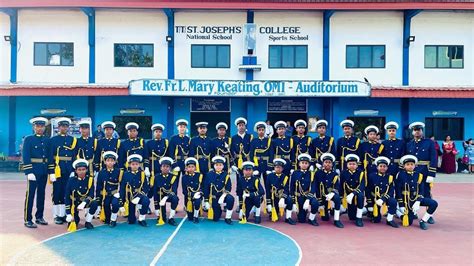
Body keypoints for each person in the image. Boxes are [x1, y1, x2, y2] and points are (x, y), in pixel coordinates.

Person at [396, 155, 438, 230]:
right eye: (407, 164)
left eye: (412, 164)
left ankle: (423, 221)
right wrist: (401, 204)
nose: (410, 166)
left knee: (433, 203)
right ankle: (398, 212)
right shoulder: (400, 175)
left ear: (415, 165)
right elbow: (398, 190)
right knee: (408, 222)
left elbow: (421, 190)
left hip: (416, 199)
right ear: (404, 166)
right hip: (406, 201)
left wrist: (418, 201)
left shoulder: (419, 175)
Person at [23, 117, 50, 228]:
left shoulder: (47, 140)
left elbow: (48, 156)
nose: (40, 128)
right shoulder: (28, 139)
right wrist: (29, 171)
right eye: (37, 126)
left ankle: (39, 216)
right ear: (34, 127)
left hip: (43, 171)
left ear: (44, 127)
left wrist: (50, 171)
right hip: (33, 171)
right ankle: (27, 219)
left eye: (42, 126)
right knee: (30, 195)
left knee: (41, 194)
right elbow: (26, 156)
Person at [49, 117, 77, 225]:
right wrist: (51, 171)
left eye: (66, 126)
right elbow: (51, 156)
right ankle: (57, 215)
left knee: (67, 191)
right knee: (57, 191)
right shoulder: (53, 140)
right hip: (58, 169)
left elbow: (74, 155)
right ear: (58, 127)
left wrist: (73, 170)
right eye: (62, 126)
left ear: (68, 127)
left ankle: (66, 213)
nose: (64, 128)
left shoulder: (72, 140)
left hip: (69, 169)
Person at [406, 122, 437, 208]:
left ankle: (429, 212)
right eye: (415, 130)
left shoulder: (429, 142)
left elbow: (434, 158)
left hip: (425, 171)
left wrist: (431, 174)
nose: (417, 132)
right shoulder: (409, 144)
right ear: (412, 132)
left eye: (419, 130)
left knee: (426, 191)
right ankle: (412, 210)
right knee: (412, 191)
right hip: (413, 171)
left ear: (422, 131)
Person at [65, 159, 99, 231]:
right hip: (74, 204)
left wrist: (84, 203)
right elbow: (67, 196)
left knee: (94, 203)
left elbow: (92, 194)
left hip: (84, 202)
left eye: (83, 169)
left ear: (86, 170)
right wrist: (68, 213)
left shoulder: (89, 179)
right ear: (76, 171)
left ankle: (88, 221)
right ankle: (76, 218)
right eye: (79, 170)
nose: (81, 171)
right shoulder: (71, 180)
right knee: (74, 222)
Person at [366, 156, 398, 228]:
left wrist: (383, 199)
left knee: (393, 201)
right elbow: (368, 189)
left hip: (385, 198)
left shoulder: (390, 177)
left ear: (387, 168)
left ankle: (389, 219)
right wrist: (370, 203)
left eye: (384, 166)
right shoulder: (371, 176)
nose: (382, 168)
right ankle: (368, 210)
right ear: (377, 167)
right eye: (380, 166)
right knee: (376, 220)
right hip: (375, 199)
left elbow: (391, 190)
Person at [314, 153, 344, 228]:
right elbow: (316, 187)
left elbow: (337, 186)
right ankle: (325, 210)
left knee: (337, 198)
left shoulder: (335, 174)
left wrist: (333, 193)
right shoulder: (318, 173)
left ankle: (336, 220)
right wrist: (320, 201)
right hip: (322, 197)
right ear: (323, 163)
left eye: (329, 162)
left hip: (331, 196)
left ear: (332, 164)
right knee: (325, 218)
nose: (328, 164)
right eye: (326, 162)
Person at [120, 154, 150, 227]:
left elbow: (146, 187)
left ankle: (141, 219)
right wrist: (121, 202)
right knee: (131, 221)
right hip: (129, 197)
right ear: (129, 165)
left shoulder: (142, 174)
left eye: (136, 164)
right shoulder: (125, 174)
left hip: (139, 195)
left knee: (146, 201)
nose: (135, 166)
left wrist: (139, 196)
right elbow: (122, 188)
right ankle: (132, 217)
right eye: (133, 164)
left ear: (139, 164)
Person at [203, 156, 234, 225]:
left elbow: (228, 187)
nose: (218, 167)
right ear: (214, 165)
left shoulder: (226, 175)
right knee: (215, 218)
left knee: (230, 199)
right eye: (217, 165)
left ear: (223, 166)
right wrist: (206, 201)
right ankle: (218, 210)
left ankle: (228, 217)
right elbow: (206, 188)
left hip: (222, 196)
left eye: (220, 165)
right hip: (213, 197)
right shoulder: (209, 174)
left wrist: (224, 195)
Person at [291, 153, 320, 226]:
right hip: (299, 197)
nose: (304, 164)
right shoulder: (295, 173)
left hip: (308, 196)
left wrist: (308, 199)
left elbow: (313, 188)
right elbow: (292, 187)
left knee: (315, 203)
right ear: (299, 164)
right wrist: (294, 202)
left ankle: (311, 218)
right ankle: (303, 212)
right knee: (301, 220)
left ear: (308, 164)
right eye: (302, 163)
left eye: (306, 163)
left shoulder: (311, 174)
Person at [95, 151, 122, 227]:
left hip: (115, 194)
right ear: (105, 162)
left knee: (115, 204)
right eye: (108, 161)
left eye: (112, 161)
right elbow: (98, 186)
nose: (110, 163)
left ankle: (113, 220)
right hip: (105, 194)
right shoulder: (101, 173)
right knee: (106, 206)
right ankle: (108, 218)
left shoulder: (119, 171)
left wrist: (120, 194)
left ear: (115, 162)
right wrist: (98, 198)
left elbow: (122, 184)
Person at [265, 158, 294, 224]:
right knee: (272, 214)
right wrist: (268, 203)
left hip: (281, 197)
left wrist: (283, 198)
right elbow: (267, 190)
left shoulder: (285, 177)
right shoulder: (269, 176)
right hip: (273, 198)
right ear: (274, 168)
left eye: (280, 167)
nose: (278, 169)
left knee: (289, 199)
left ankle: (288, 217)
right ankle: (273, 211)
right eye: (277, 167)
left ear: (282, 169)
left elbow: (286, 189)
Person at [340, 154, 365, 227]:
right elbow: (341, 186)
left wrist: (353, 193)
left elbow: (362, 186)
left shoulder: (361, 173)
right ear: (347, 165)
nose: (352, 165)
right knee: (351, 217)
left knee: (361, 196)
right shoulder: (343, 173)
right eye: (350, 164)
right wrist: (341, 198)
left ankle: (359, 218)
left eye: (354, 164)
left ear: (357, 165)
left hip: (357, 194)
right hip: (348, 195)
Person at [153, 157, 179, 226]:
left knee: (175, 198)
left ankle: (171, 217)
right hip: (160, 197)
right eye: (163, 166)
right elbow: (155, 192)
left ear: (170, 168)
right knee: (163, 218)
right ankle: (161, 216)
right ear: (160, 168)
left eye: (167, 166)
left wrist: (166, 197)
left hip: (169, 196)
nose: (165, 168)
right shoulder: (157, 177)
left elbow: (174, 190)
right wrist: (156, 208)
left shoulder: (173, 177)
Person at [181, 157, 203, 223]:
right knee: (190, 218)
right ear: (186, 168)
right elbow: (184, 191)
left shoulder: (199, 175)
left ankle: (196, 216)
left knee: (197, 201)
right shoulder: (184, 177)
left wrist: (199, 193)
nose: (191, 168)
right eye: (189, 167)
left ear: (195, 168)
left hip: (198, 196)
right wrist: (193, 194)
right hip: (188, 198)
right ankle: (191, 213)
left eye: (192, 166)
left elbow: (202, 187)